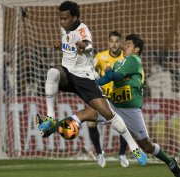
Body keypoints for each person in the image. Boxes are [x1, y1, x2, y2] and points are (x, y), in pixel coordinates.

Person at [38, 34, 180, 177]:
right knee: (84, 114)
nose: (124, 47)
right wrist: (93, 85)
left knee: (147, 146)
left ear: (137, 49)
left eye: (128, 45)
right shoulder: (119, 63)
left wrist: (106, 72)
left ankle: (170, 161)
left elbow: (116, 77)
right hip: (113, 104)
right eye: (124, 44)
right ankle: (50, 130)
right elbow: (109, 78)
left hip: (131, 110)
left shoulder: (134, 60)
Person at [35, 1, 147, 166]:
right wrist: (61, 47)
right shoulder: (64, 28)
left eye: (65, 19)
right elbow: (70, 48)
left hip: (84, 78)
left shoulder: (83, 30)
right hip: (68, 74)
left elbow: (87, 45)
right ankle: (51, 118)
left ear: (75, 17)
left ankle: (133, 147)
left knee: (109, 114)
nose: (62, 22)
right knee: (52, 72)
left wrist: (83, 46)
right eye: (60, 19)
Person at [88, 31, 129, 168]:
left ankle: (122, 154)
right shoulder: (100, 57)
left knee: (124, 126)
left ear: (121, 43)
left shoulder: (126, 58)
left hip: (119, 97)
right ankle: (99, 154)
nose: (114, 44)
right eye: (112, 41)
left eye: (117, 41)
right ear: (108, 42)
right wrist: (92, 74)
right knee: (90, 123)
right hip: (102, 98)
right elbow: (88, 70)